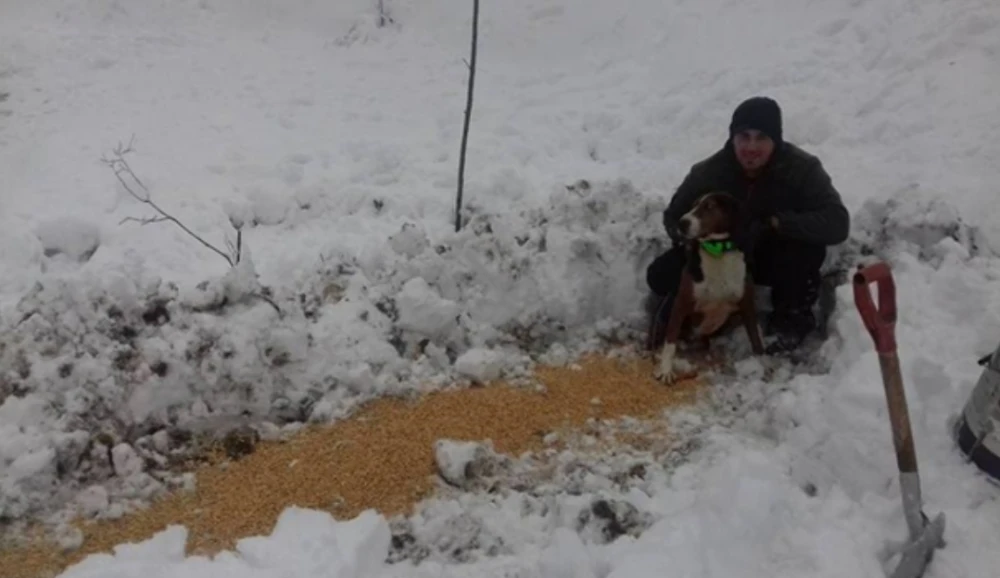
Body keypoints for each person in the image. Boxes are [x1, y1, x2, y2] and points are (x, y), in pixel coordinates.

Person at [646, 96, 850, 353]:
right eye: (744, 136)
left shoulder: (802, 169)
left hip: (770, 255)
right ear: (733, 138)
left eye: (761, 137)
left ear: (776, 140)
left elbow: (838, 222)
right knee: (660, 274)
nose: (751, 146)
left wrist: (777, 223)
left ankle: (790, 321)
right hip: (718, 256)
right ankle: (686, 316)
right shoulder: (708, 172)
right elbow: (674, 216)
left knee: (804, 252)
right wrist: (696, 241)